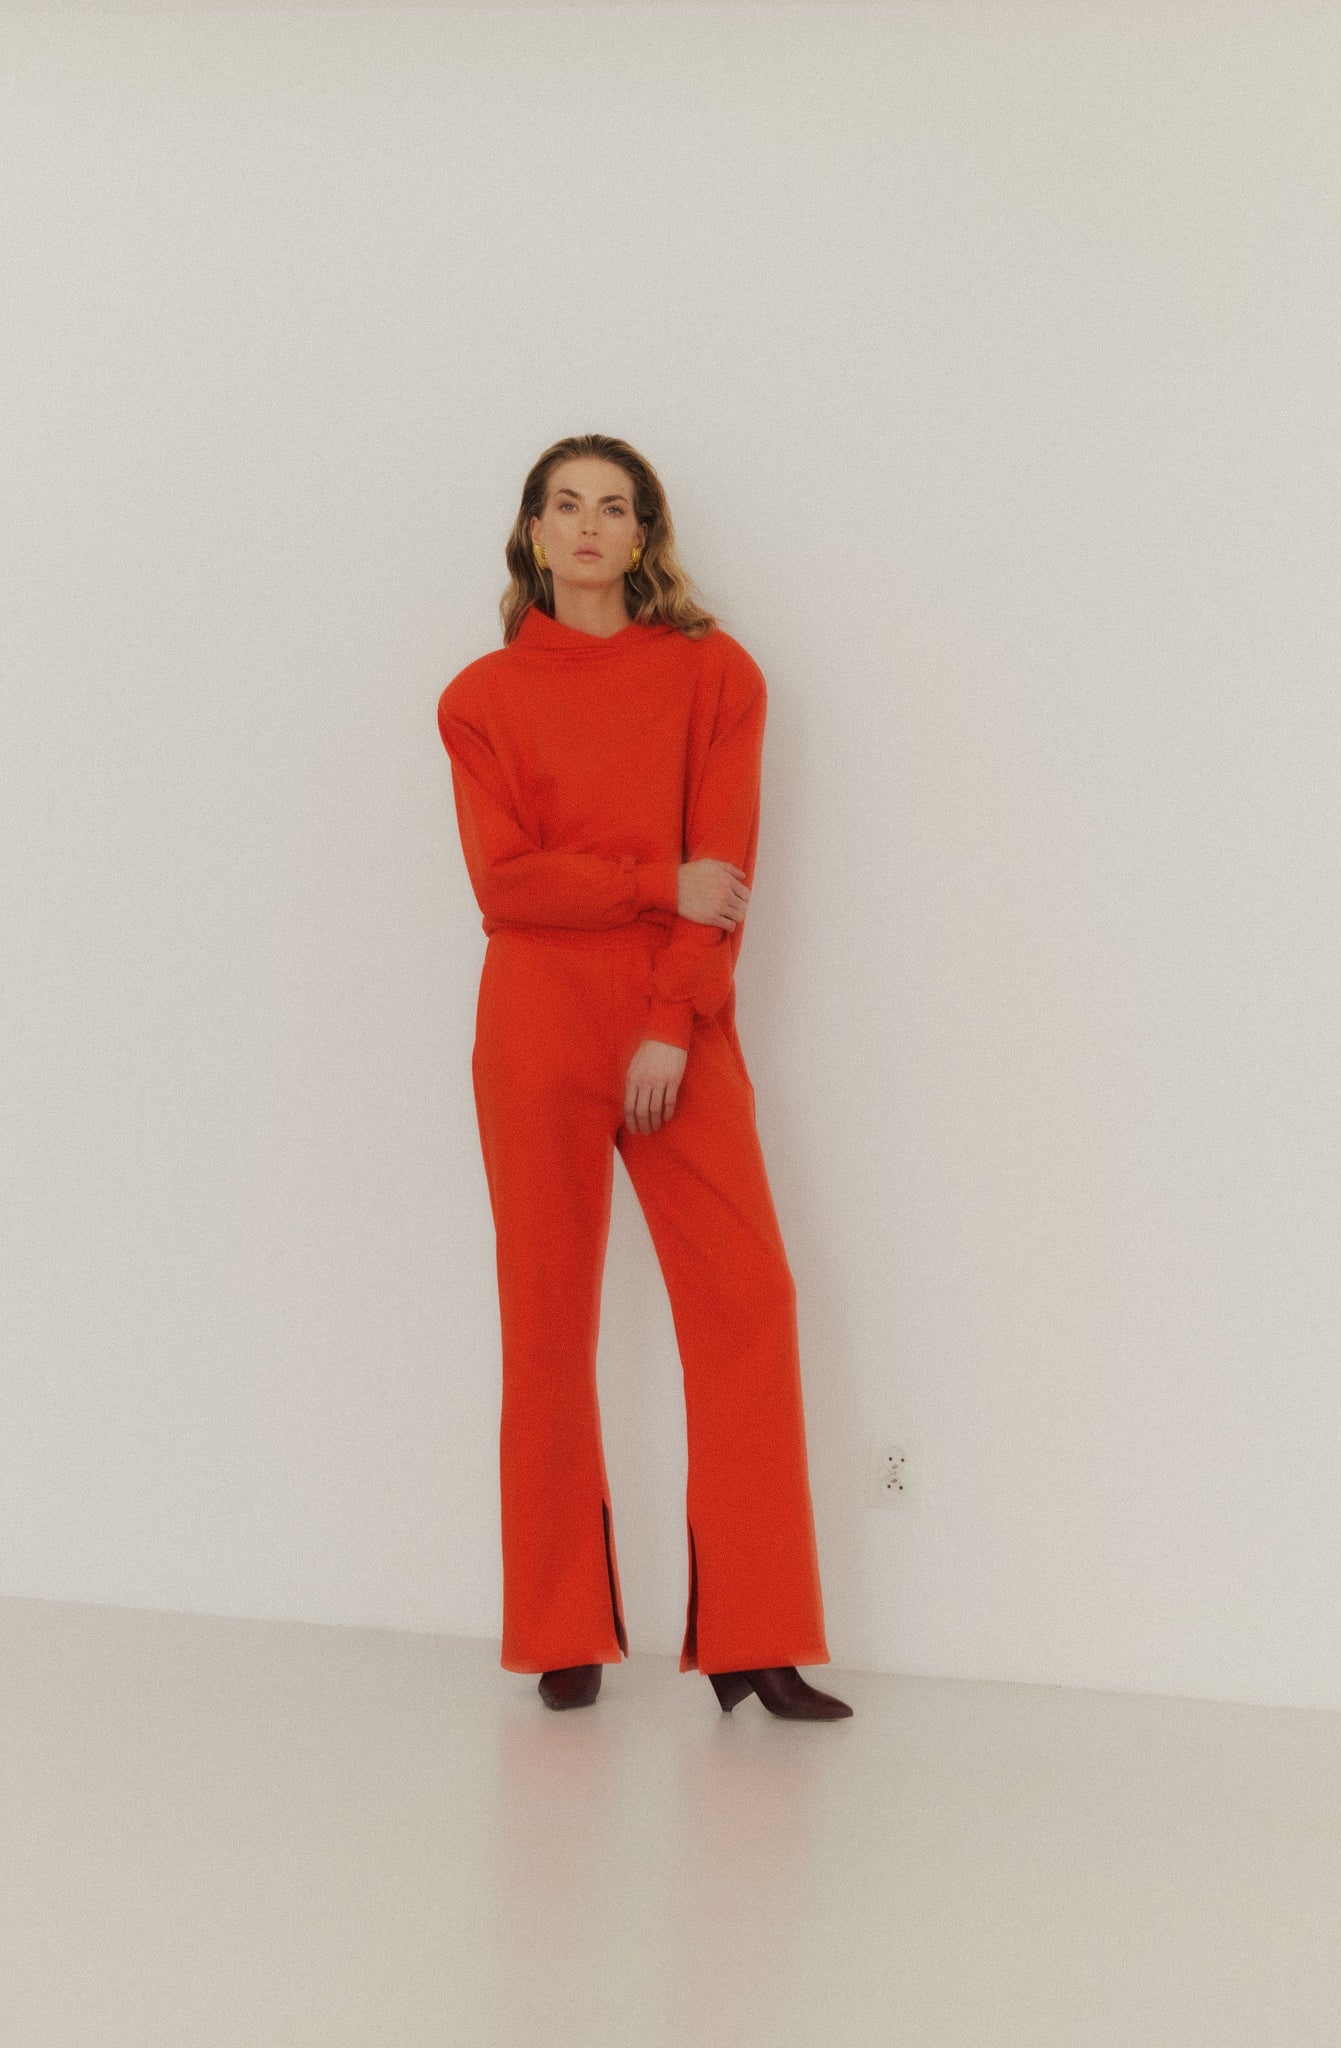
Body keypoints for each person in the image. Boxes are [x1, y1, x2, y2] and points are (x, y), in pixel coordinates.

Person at [437, 433, 852, 1722]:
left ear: (644, 533)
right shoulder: (479, 699)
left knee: (748, 1303)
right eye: (565, 505)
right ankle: (559, 1628)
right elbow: (505, 884)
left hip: (680, 1023)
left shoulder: (715, 675)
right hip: (535, 1027)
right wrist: (650, 881)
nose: (588, 526)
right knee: (545, 1324)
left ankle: (756, 1638)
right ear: (532, 530)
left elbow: (727, 873)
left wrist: (671, 1019)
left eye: (613, 508)